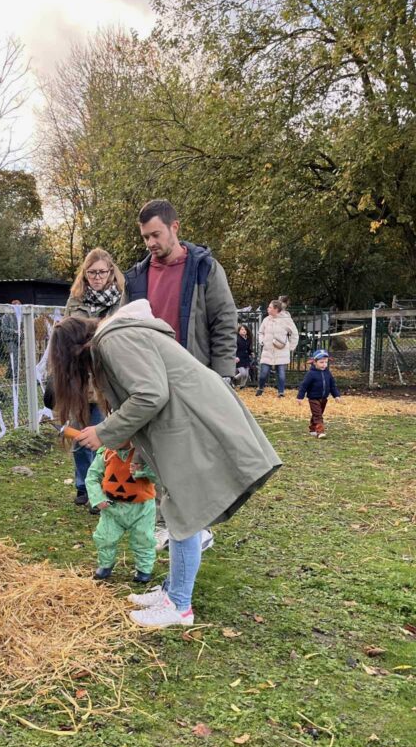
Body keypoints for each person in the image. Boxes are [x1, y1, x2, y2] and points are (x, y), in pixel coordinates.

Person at [48, 302, 282, 629]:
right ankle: (172, 591)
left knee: (185, 514)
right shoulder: (114, 340)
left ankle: (180, 607)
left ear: (72, 352)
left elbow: (150, 394)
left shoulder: (112, 341)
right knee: (178, 508)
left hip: (191, 418)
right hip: (184, 418)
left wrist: (104, 433)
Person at [125, 199, 237, 551]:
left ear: (175, 227)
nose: (150, 244)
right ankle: (171, 524)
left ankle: (195, 526)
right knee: (159, 455)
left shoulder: (204, 268)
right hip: (151, 380)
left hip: (193, 377)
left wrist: (222, 377)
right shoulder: (137, 276)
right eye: (145, 237)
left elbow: (224, 322)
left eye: (155, 234)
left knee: (192, 456)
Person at [65, 248, 125, 509]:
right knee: (80, 434)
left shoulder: (122, 300)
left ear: (111, 272)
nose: (97, 277)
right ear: (85, 275)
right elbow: (66, 337)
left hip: (109, 374)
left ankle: (102, 487)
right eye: (92, 273)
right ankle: (84, 487)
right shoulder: (75, 301)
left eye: (101, 272)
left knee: (103, 434)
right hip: (79, 376)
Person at [85, 442, 156, 583]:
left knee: (144, 538)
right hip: (112, 507)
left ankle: (144, 569)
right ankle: (105, 564)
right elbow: (92, 476)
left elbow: (160, 476)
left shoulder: (145, 452)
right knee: (105, 537)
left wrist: (143, 471)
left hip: (141, 508)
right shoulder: (106, 453)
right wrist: (97, 497)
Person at [256, 300, 298, 396]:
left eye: (270, 307)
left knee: (281, 374)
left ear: (276, 309)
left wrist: (291, 347)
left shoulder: (286, 320)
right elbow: (260, 332)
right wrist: (262, 341)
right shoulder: (266, 320)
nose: (268, 309)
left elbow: (294, 333)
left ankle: (281, 392)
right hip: (268, 350)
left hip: (281, 350)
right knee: (263, 373)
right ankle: (260, 388)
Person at [296, 348, 341, 438]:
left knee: (317, 414)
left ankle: (313, 428)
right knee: (318, 415)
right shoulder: (311, 374)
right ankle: (320, 431)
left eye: (326, 362)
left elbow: (332, 385)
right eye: (321, 362)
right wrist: (300, 397)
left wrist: (336, 395)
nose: (324, 364)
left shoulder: (327, 373)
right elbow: (304, 386)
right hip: (313, 398)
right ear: (314, 362)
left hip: (324, 398)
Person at [0, 299, 21, 379]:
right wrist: (14, 331)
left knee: (13, 357)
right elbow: (4, 328)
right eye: (17, 306)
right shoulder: (6, 316)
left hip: (17, 339)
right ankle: (15, 375)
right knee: (14, 356)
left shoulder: (17, 316)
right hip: (9, 339)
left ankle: (8, 375)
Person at [235, 323, 253, 388]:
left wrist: (251, 353)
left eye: (245, 329)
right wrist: (235, 357)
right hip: (239, 358)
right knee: (243, 373)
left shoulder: (248, 339)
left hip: (246, 358)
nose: (244, 330)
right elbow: (234, 349)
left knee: (246, 375)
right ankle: (233, 379)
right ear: (239, 331)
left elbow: (248, 349)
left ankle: (242, 386)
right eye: (242, 329)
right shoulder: (237, 339)